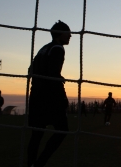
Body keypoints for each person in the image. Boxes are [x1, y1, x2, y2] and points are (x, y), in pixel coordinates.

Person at [27, 20, 71, 167]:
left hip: (36, 95)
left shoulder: (43, 49)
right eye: (68, 32)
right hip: (50, 96)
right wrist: (63, 97)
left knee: (37, 134)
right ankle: (40, 163)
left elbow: (30, 70)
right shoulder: (58, 48)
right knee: (62, 130)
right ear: (60, 34)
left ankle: (31, 164)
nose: (70, 35)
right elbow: (53, 75)